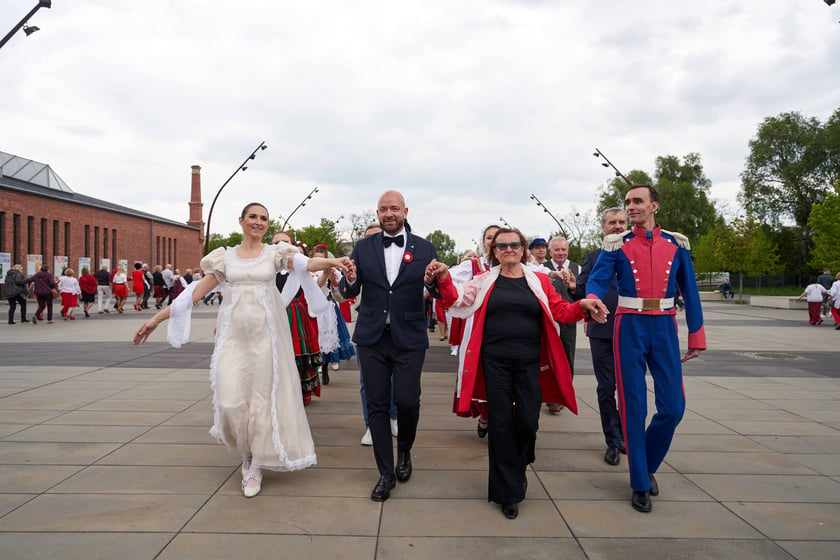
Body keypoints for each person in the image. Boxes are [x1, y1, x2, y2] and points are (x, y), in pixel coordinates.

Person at [134, 202, 351, 498]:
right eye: (253, 217)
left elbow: (305, 265)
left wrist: (332, 262)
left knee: (261, 400)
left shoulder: (275, 254)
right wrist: (156, 319)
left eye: (264, 218)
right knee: (229, 400)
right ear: (241, 221)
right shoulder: (225, 259)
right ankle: (246, 451)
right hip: (233, 339)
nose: (258, 222)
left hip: (267, 339)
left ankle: (255, 463)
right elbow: (193, 295)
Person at [425, 227, 608, 519]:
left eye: (514, 245)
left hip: (530, 364)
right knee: (499, 425)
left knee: (527, 422)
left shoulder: (539, 281)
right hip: (493, 364)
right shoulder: (483, 281)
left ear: (523, 249)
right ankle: (507, 492)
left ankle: (519, 462)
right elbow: (456, 300)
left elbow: (560, 310)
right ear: (494, 252)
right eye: (502, 246)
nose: (509, 249)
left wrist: (581, 306)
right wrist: (445, 277)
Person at [586, 184, 706, 513]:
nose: (631, 207)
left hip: (665, 325)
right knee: (633, 406)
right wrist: (592, 299)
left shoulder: (676, 243)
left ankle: (648, 464)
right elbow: (597, 280)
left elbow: (691, 291)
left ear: (654, 205)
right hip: (629, 326)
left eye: (637, 201)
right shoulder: (616, 245)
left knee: (673, 408)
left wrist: (696, 335)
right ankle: (639, 481)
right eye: (627, 203)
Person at [338, 190, 439, 502]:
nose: (389, 213)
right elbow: (349, 288)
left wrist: (434, 281)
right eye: (383, 209)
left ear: (405, 211)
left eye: (394, 208)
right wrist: (349, 278)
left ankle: (405, 451)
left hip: (409, 337)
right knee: (377, 405)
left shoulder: (425, 247)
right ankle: (385, 472)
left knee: (408, 401)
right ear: (377, 212)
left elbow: (432, 288)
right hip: (372, 337)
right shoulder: (363, 246)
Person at [573, 207, 628, 466]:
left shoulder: (637, 254)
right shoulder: (594, 257)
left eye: (621, 222)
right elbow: (582, 290)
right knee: (607, 388)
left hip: (633, 332)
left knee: (630, 388)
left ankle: (628, 436)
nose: (617, 226)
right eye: (612, 223)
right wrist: (575, 290)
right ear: (603, 227)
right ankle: (612, 440)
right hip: (602, 331)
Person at [448, 224, 500, 437]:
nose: (493, 241)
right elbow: (447, 279)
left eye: (497, 237)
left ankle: (501, 421)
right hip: (479, 327)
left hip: (507, 330)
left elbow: (540, 274)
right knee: (480, 372)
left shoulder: (517, 264)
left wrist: (555, 274)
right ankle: (485, 414)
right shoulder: (475, 266)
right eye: (489, 238)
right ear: (483, 242)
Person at [353, 223, 398, 447]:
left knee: (395, 380)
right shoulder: (361, 256)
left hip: (398, 327)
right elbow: (347, 289)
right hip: (369, 325)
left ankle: (393, 416)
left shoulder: (396, 257)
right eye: (368, 237)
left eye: (376, 236)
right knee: (367, 381)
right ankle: (371, 425)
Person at [272, 230, 325, 406]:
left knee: (297, 354)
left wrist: (329, 268)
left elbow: (315, 283)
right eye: (275, 243)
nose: (280, 246)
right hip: (271, 315)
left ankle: (301, 393)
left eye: (284, 242)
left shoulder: (300, 266)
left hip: (294, 316)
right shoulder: (266, 268)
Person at [544, 236, 580, 414]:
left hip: (568, 320)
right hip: (547, 319)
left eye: (563, 250)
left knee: (567, 356)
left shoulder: (577, 268)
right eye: (556, 250)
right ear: (550, 251)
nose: (560, 253)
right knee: (547, 356)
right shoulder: (543, 269)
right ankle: (549, 395)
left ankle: (562, 395)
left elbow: (582, 292)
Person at [312, 244, 355, 381]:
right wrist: (325, 275)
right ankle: (320, 364)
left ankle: (328, 365)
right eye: (316, 259)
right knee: (317, 338)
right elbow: (315, 287)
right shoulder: (310, 273)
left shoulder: (334, 271)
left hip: (329, 307)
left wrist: (335, 282)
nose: (318, 262)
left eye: (321, 259)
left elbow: (340, 293)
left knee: (331, 337)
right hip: (315, 309)